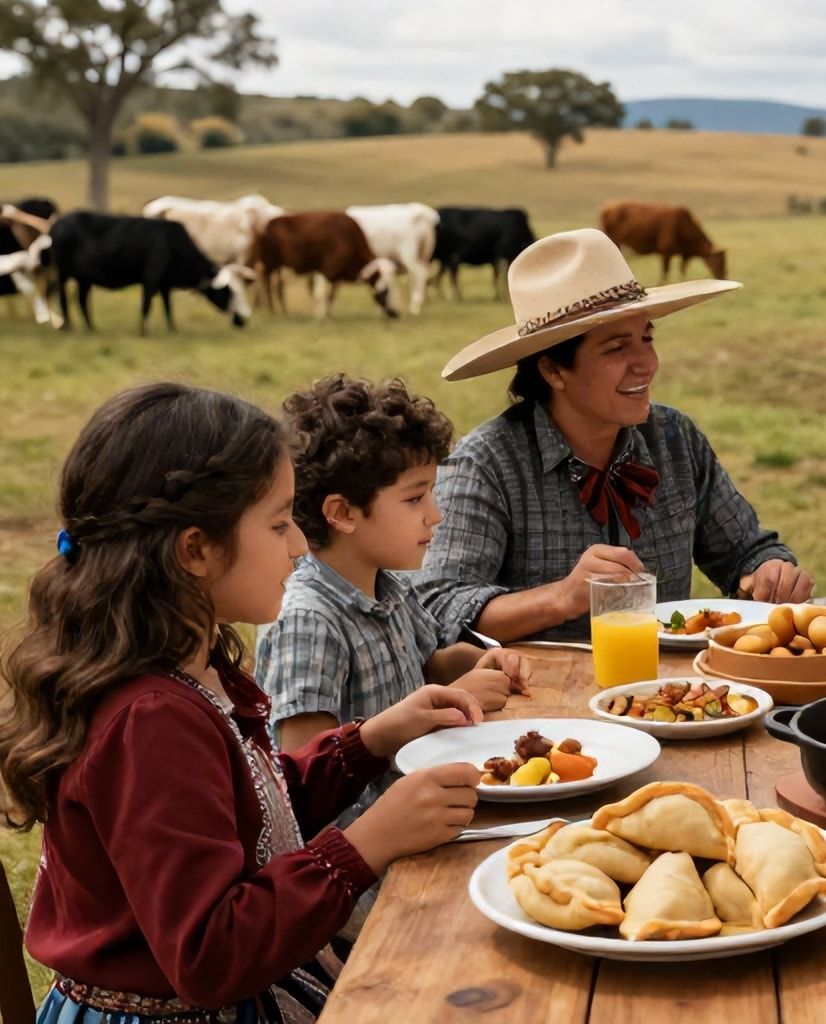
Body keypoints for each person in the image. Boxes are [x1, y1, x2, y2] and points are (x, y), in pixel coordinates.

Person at [0, 383, 484, 1022]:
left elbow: (246, 814)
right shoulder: (149, 719)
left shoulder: (193, 665)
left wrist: (367, 743)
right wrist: (367, 843)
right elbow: (209, 953)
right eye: (280, 523)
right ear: (195, 549)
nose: (298, 546)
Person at [419, 229, 811, 644]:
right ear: (553, 371)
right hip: (539, 700)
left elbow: (745, 552)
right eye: (616, 349)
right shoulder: (487, 463)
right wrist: (563, 598)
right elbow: (440, 606)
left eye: (647, 338)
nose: (647, 364)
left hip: (668, 697)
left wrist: (769, 572)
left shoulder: (675, 439)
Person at [260, 374, 532, 826]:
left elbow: (428, 665)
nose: (436, 513)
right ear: (343, 513)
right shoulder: (308, 620)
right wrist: (449, 702)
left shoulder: (386, 585)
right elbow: (306, 774)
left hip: (429, 811)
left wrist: (478, 661)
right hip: (368, 855)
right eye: (414, 498)